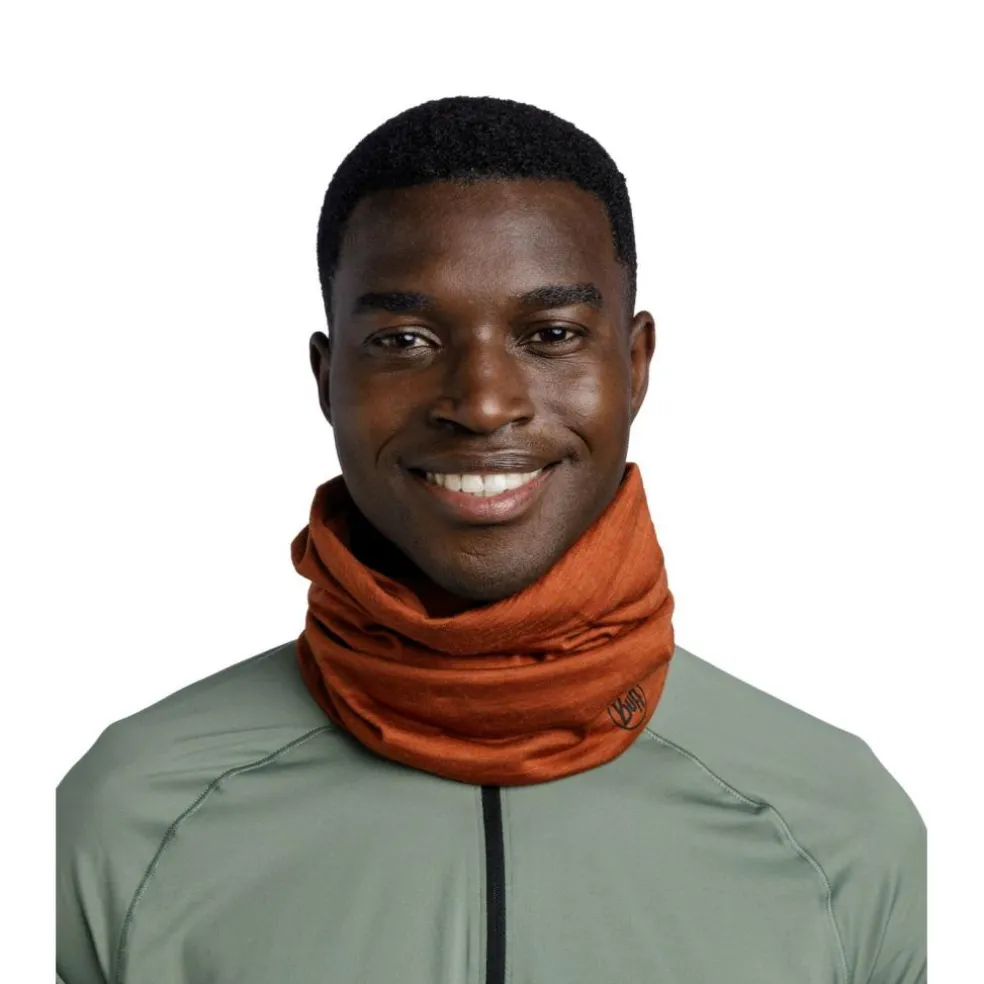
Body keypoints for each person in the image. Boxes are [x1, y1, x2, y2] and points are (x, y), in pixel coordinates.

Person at [56, 95, 927, 984]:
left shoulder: (840, 834)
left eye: (550, 335)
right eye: (404, 339)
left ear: (633, 367)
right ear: (327, 377)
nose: (480, 403)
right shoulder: (123, 825)